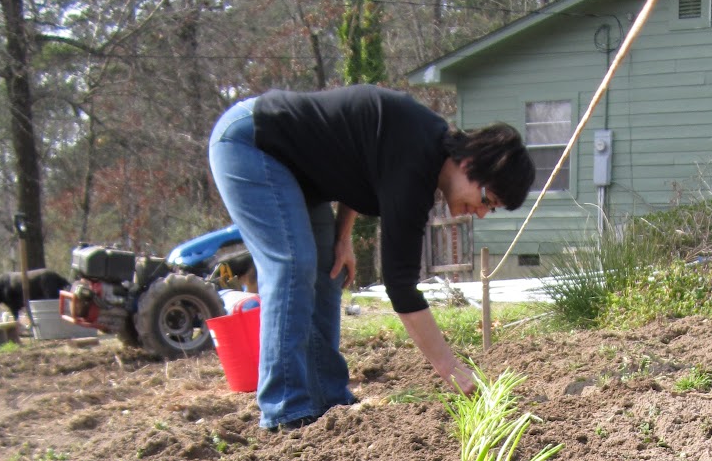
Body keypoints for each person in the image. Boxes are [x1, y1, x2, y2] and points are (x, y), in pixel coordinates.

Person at [207, 84, 536, 431]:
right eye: (487, 199)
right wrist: (449, 367)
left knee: (327, 271)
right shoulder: (416, 160)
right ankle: (285, 410)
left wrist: (343, 236)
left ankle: (330, 401)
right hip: (253, 141)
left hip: (299, 172)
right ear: (469, 163)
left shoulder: (422, 153)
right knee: (292, 265)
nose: (482, 213)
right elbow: (401, 288)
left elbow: (361, 165)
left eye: (492, 210)